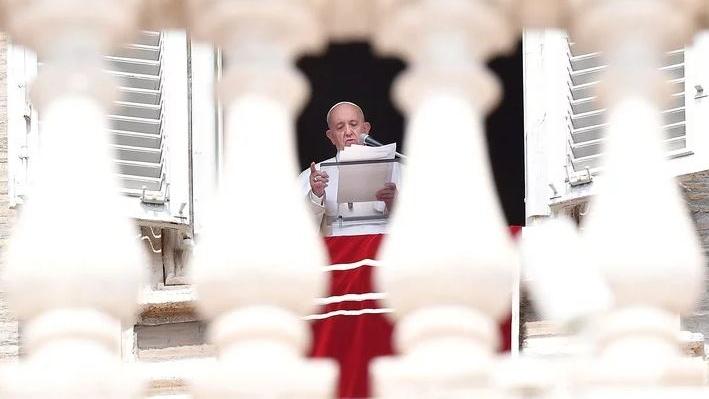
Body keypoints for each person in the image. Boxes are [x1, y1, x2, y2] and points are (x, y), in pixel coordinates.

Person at [299, 101, 399, 236]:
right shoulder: (314, 174)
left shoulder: (398, 168)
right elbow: (298, 230)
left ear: (365, 129)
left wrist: (395, 203)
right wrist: (316, 196)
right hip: (339, 254)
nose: (348, 132)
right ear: (331, 136)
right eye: (340, 127)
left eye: (353, 125)